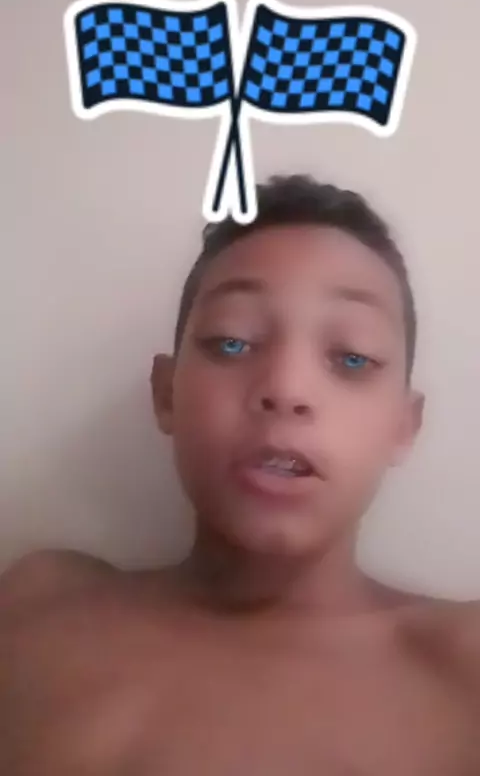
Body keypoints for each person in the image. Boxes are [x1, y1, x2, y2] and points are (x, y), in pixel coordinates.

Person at [0, 174, 478, 775]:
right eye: (232, 342)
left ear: (403, 426)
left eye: (353, 357)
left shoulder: (463, 669)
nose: (286, 388)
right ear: (167, 393)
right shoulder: (36, 607)